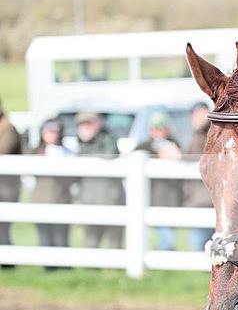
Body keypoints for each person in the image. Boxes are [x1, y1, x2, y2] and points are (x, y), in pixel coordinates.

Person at [75, 111, 125, 248]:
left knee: (115, 240)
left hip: (110, 197)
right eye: (82, 125)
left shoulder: (107, 139)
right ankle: (91, 268)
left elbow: (110, 155)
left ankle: (115, 268)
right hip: (89, 199)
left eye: (88, 124)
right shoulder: (81, 144)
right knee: (91, 240)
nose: (85, 128)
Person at [135, 111, 183, 251]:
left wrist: (176, 156)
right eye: (156, 128)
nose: (158, 131)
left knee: (167, 235)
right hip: (152, 197)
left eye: (161, 127)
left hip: (172, 196)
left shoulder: (175, 145)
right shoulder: (143, 147)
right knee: (164, 237)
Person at [31, 119, 75, 268]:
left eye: (55, 131)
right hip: (40, 200)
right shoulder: (36, 152)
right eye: (49, 131)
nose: (52, 135)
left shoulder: (67, 153)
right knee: (45, 237)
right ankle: (48, 268)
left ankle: (64, 268)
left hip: (61, 199)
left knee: (61, 237)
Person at [182, 102, 215, 251]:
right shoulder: (196, 135)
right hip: (198, 199)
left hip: (207, 199)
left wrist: (178, 157)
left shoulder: (211, 134)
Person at [0, 97, 21, 267]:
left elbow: (3, 151)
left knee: (3, 227)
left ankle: (8, 263)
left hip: (6, 187)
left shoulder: (8, 129)